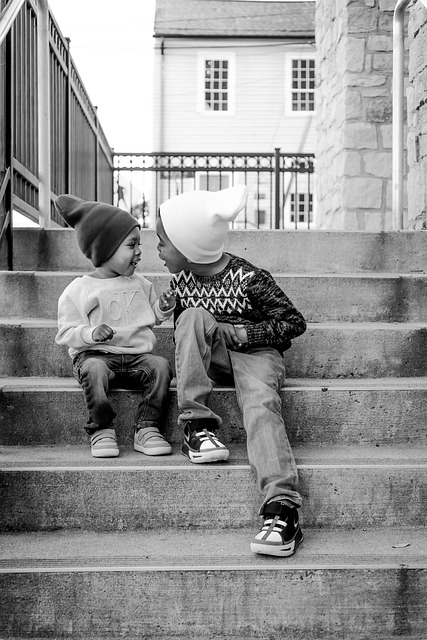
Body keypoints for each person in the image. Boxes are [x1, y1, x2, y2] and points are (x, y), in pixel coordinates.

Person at [156, 185, 307, 557]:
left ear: (189, 245)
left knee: (259, 407)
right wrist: (171, 312)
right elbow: (188, 337)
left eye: (163, 242)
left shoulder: (249, 278)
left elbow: (293, 322)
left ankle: (282, 507)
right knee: (191, 317)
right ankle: (196, 426)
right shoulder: (180, 282)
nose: (157, 249)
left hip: (256, 355)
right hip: (220, 359)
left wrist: (246, 333)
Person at [55, 194, 175, 459]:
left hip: (137, 358)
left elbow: (152, 317)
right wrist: (90, 333)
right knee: (94, 370)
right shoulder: (80, 288)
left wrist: (163, 307)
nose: (139, 251)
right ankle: (102, 428)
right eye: (131, 245)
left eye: (139, 244)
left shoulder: (141, 284)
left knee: (161, 366)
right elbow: (66, 332)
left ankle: (147, 427)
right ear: (106, 249)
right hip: (96, 356)